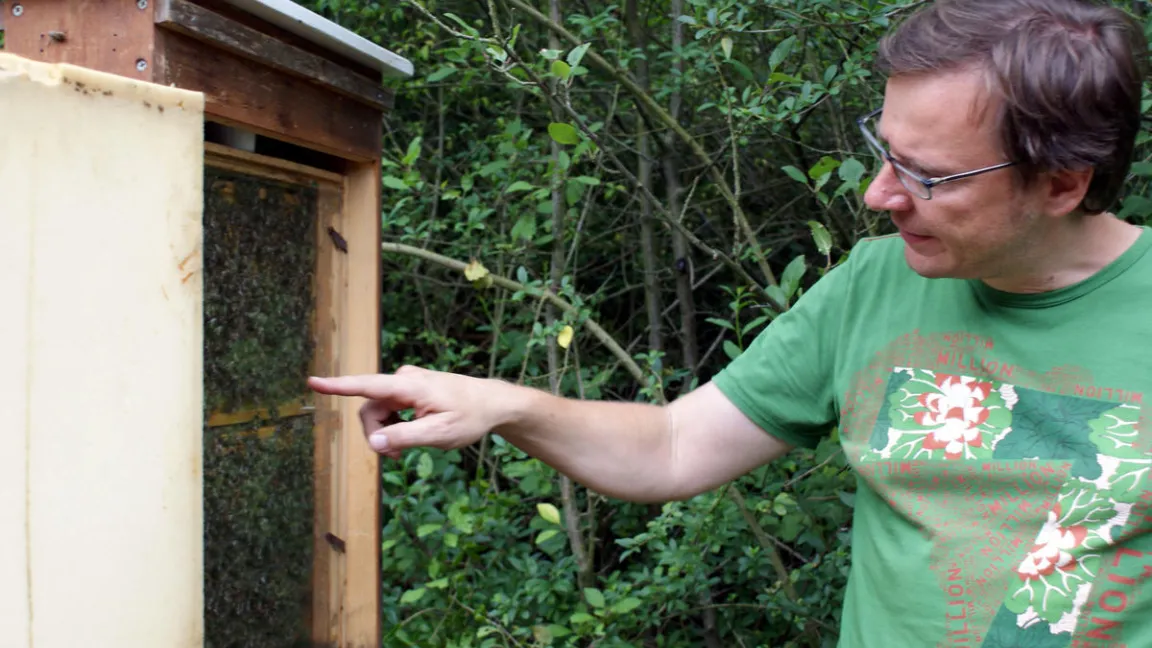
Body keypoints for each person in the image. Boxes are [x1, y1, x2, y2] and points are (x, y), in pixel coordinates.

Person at [309, 0, 1152, 644]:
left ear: (1062, 182)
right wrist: (509, 405)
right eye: (883, 150)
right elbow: (676, 447)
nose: (878, 194)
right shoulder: (871, 286)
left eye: (927, 175)